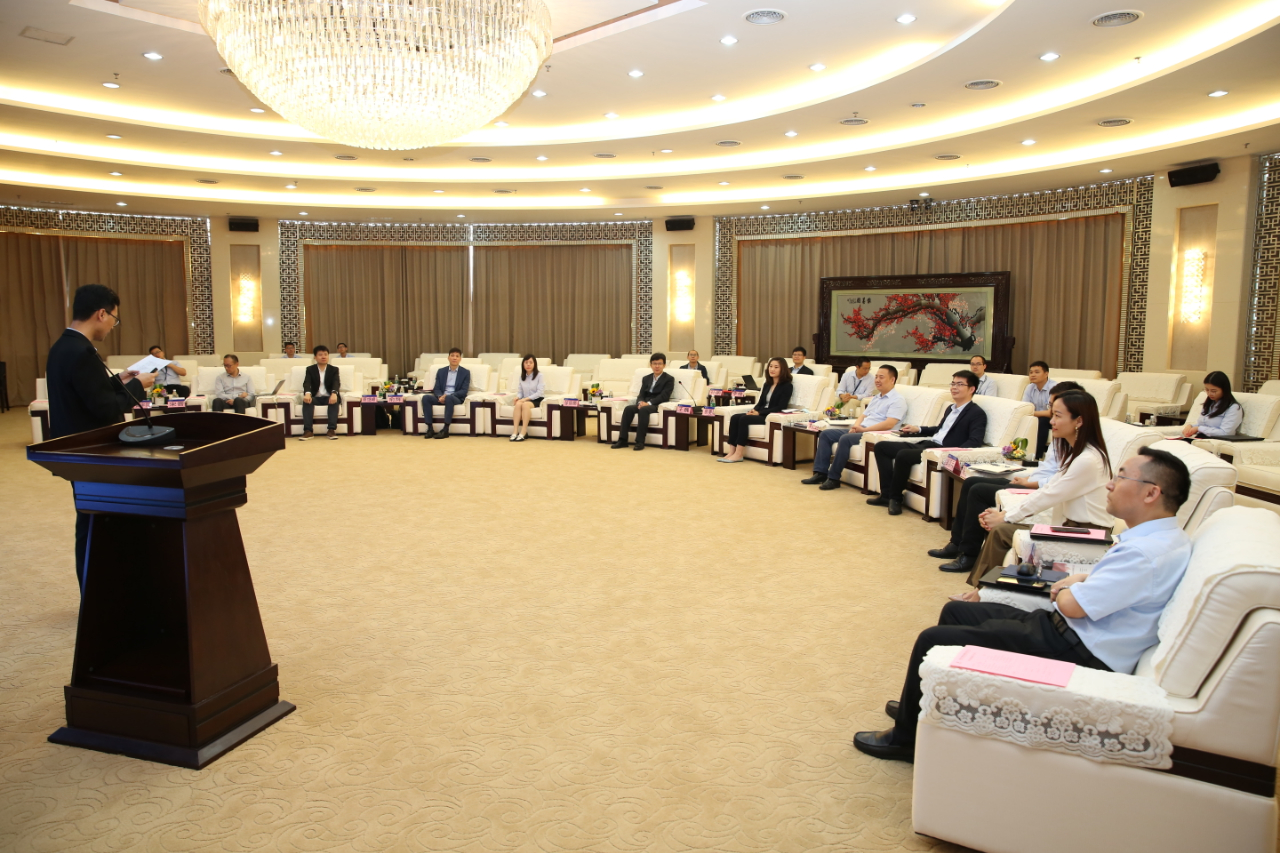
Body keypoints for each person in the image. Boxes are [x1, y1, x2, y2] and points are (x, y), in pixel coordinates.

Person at [853, 446, 1193, 763]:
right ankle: (924, 704)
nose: (1110, 484)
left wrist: (1067, 588)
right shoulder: (1157, 540)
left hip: (1076, 649)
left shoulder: (1144, 552)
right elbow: (1098, 588)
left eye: (1121, 477)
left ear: (1151, 493)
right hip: (1067, 631)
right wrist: (1075, 584)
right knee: (957, 611)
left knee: (932, 639)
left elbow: (1073, 606)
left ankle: (906, 740)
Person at [45, 283, 156, 589]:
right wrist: (138, 386)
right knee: (95, 522)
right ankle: (97, 593)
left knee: (93, 520)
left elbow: (87, 393)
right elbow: (105, 409)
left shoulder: (64, 346)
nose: (112, 326)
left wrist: (120, 379)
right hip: (92, 451)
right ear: (101, 314)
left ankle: (97, 592)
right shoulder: (81, 352)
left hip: (77, 449)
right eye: (114, 319)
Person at [928, 382, 1085, 574]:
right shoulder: (1062, 437)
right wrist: (1025, 476)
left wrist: (1030, 483)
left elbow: (1057, 483)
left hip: (1039, 487)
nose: (1051, 417)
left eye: (1056, 411)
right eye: (1051, 407)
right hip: (1033, 481)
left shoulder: (1080, 449)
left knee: (978, 491)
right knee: (971, 482)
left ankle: (969, 554)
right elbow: (1047, 469)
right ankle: (956, 543)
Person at [961, 389, 1114, 585]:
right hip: (1073, 528)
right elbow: (1047, 489)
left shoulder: (1088, 460)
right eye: (1052, 415)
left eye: (1057, 416)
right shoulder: (1077, 454)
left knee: (1002, 531)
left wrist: (1005, 517)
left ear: (1079, 421)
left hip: (1089, 535)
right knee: (1002, 530)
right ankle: (981, 591)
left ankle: (981, 592)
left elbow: (1049, 495)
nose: (1051, 422)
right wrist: (1005, 513)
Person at [868, 371, 988, 516]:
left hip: (941, 451)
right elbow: (940, 430)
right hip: (929, 444)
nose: (954, 387)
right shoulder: (951, 408)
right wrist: (918, 429)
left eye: (960, 384)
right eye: (953, 384)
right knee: (881, 447)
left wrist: (951, 453)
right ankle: (886, 495)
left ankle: (896, 498)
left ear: (971, 389)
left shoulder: (976, 413)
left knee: (904, 455)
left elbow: (975, 441)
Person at [802, 364, 905, 488]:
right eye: (876, 377)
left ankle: (834, 478)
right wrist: (855, 427)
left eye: (881, 377)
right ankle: (821, 473)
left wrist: (864, 429)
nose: (877, 380)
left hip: (874, 433)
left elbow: (889, 424)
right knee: (825, 434)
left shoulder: (897, 400)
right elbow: (863, 416)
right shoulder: (877, 398)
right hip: (861, 429)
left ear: (892, 380)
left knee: (845, 439)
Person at [720, 357, 792, 463]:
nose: (772, 369)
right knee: (735, 417)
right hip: (760, 412)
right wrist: (753, 410)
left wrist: (759, 413)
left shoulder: (787, 386)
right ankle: (731, 452)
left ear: (783, 369)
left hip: (770, 415)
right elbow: (761, 402)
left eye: (776, 367)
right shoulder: (767, 384)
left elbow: (781, 406)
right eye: (771, 366)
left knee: (744, 419)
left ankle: (739, 454)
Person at [612, 352, 674, 450]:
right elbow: (641, 394)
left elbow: (664, 396)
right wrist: (640, 402)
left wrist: (648, 403)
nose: (657, 366)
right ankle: (622, 440)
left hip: (657, 404)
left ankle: (640, 442)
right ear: (651, 365)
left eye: (659, 364)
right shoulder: (646, 378)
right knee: (628, 409)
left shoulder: (669, 379)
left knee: (644, 410)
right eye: (654, 363)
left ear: (664, 365)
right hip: (644, 403)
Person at [422, 348, 470, 439]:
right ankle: (430, 428)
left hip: (455, 398)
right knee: (426, 398)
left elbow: (464, 391)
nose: (454, 358)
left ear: (460, 359)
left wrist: (448, 396)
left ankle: (445, 429)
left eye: (457, 356)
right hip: (441, 397)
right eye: (452, 356)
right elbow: (436, 388)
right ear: (448, 358)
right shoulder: (441, 371)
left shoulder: (465, 372)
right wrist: (440, 396)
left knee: (449, 398)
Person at [1179, 371, 1243, 438]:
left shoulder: (1234, 408)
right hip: (1201, 438)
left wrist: (1199, 429)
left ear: (1224, 389)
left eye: (1214, 391)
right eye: (1207, 390)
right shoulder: (1209, 404)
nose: (1209, 394)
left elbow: (1226, 433)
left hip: (1217, 441)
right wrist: (1190, 426)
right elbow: (1203, 425)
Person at [301, 345, 342, 440]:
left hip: (329, 397)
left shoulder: (334, 369)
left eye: (325, 354)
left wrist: (334, 393)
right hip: (316, 397)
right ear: (315, 357)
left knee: (334, 400)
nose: (323, 357)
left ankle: (331, 430)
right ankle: (308, 431)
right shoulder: (310, 369)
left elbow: (336, 382)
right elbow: (307, 382)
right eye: (320, 355)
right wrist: (307, 393)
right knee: (307, 401)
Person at [1023, 361, 1057, 457]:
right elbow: (1024, 408)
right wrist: (1029, 413)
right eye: (1031, 372)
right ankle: (1018, 452)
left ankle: (1036, 456)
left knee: (1042, 420)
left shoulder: (1054, 387)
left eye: (1037, 372)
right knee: (1023, 419)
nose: (1033, 375)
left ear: (1046, 374)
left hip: (1054, 419)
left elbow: (1051, 413)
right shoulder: (1029, 387)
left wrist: (1031, 413)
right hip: (1036, 417)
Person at [510, 354, 544, 442]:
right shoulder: (522, 377)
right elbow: (520, 391)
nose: (528, 364)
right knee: (518, 404)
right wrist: (517, 397)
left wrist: (525, 399)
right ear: (523, 364)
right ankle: (515, 431)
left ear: (534, 364)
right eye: (526, 362)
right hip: (525, 399)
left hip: (537, 399)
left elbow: (539, 392)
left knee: (524, 405)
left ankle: (524, 431)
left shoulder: (539, 375)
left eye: (530, 362)